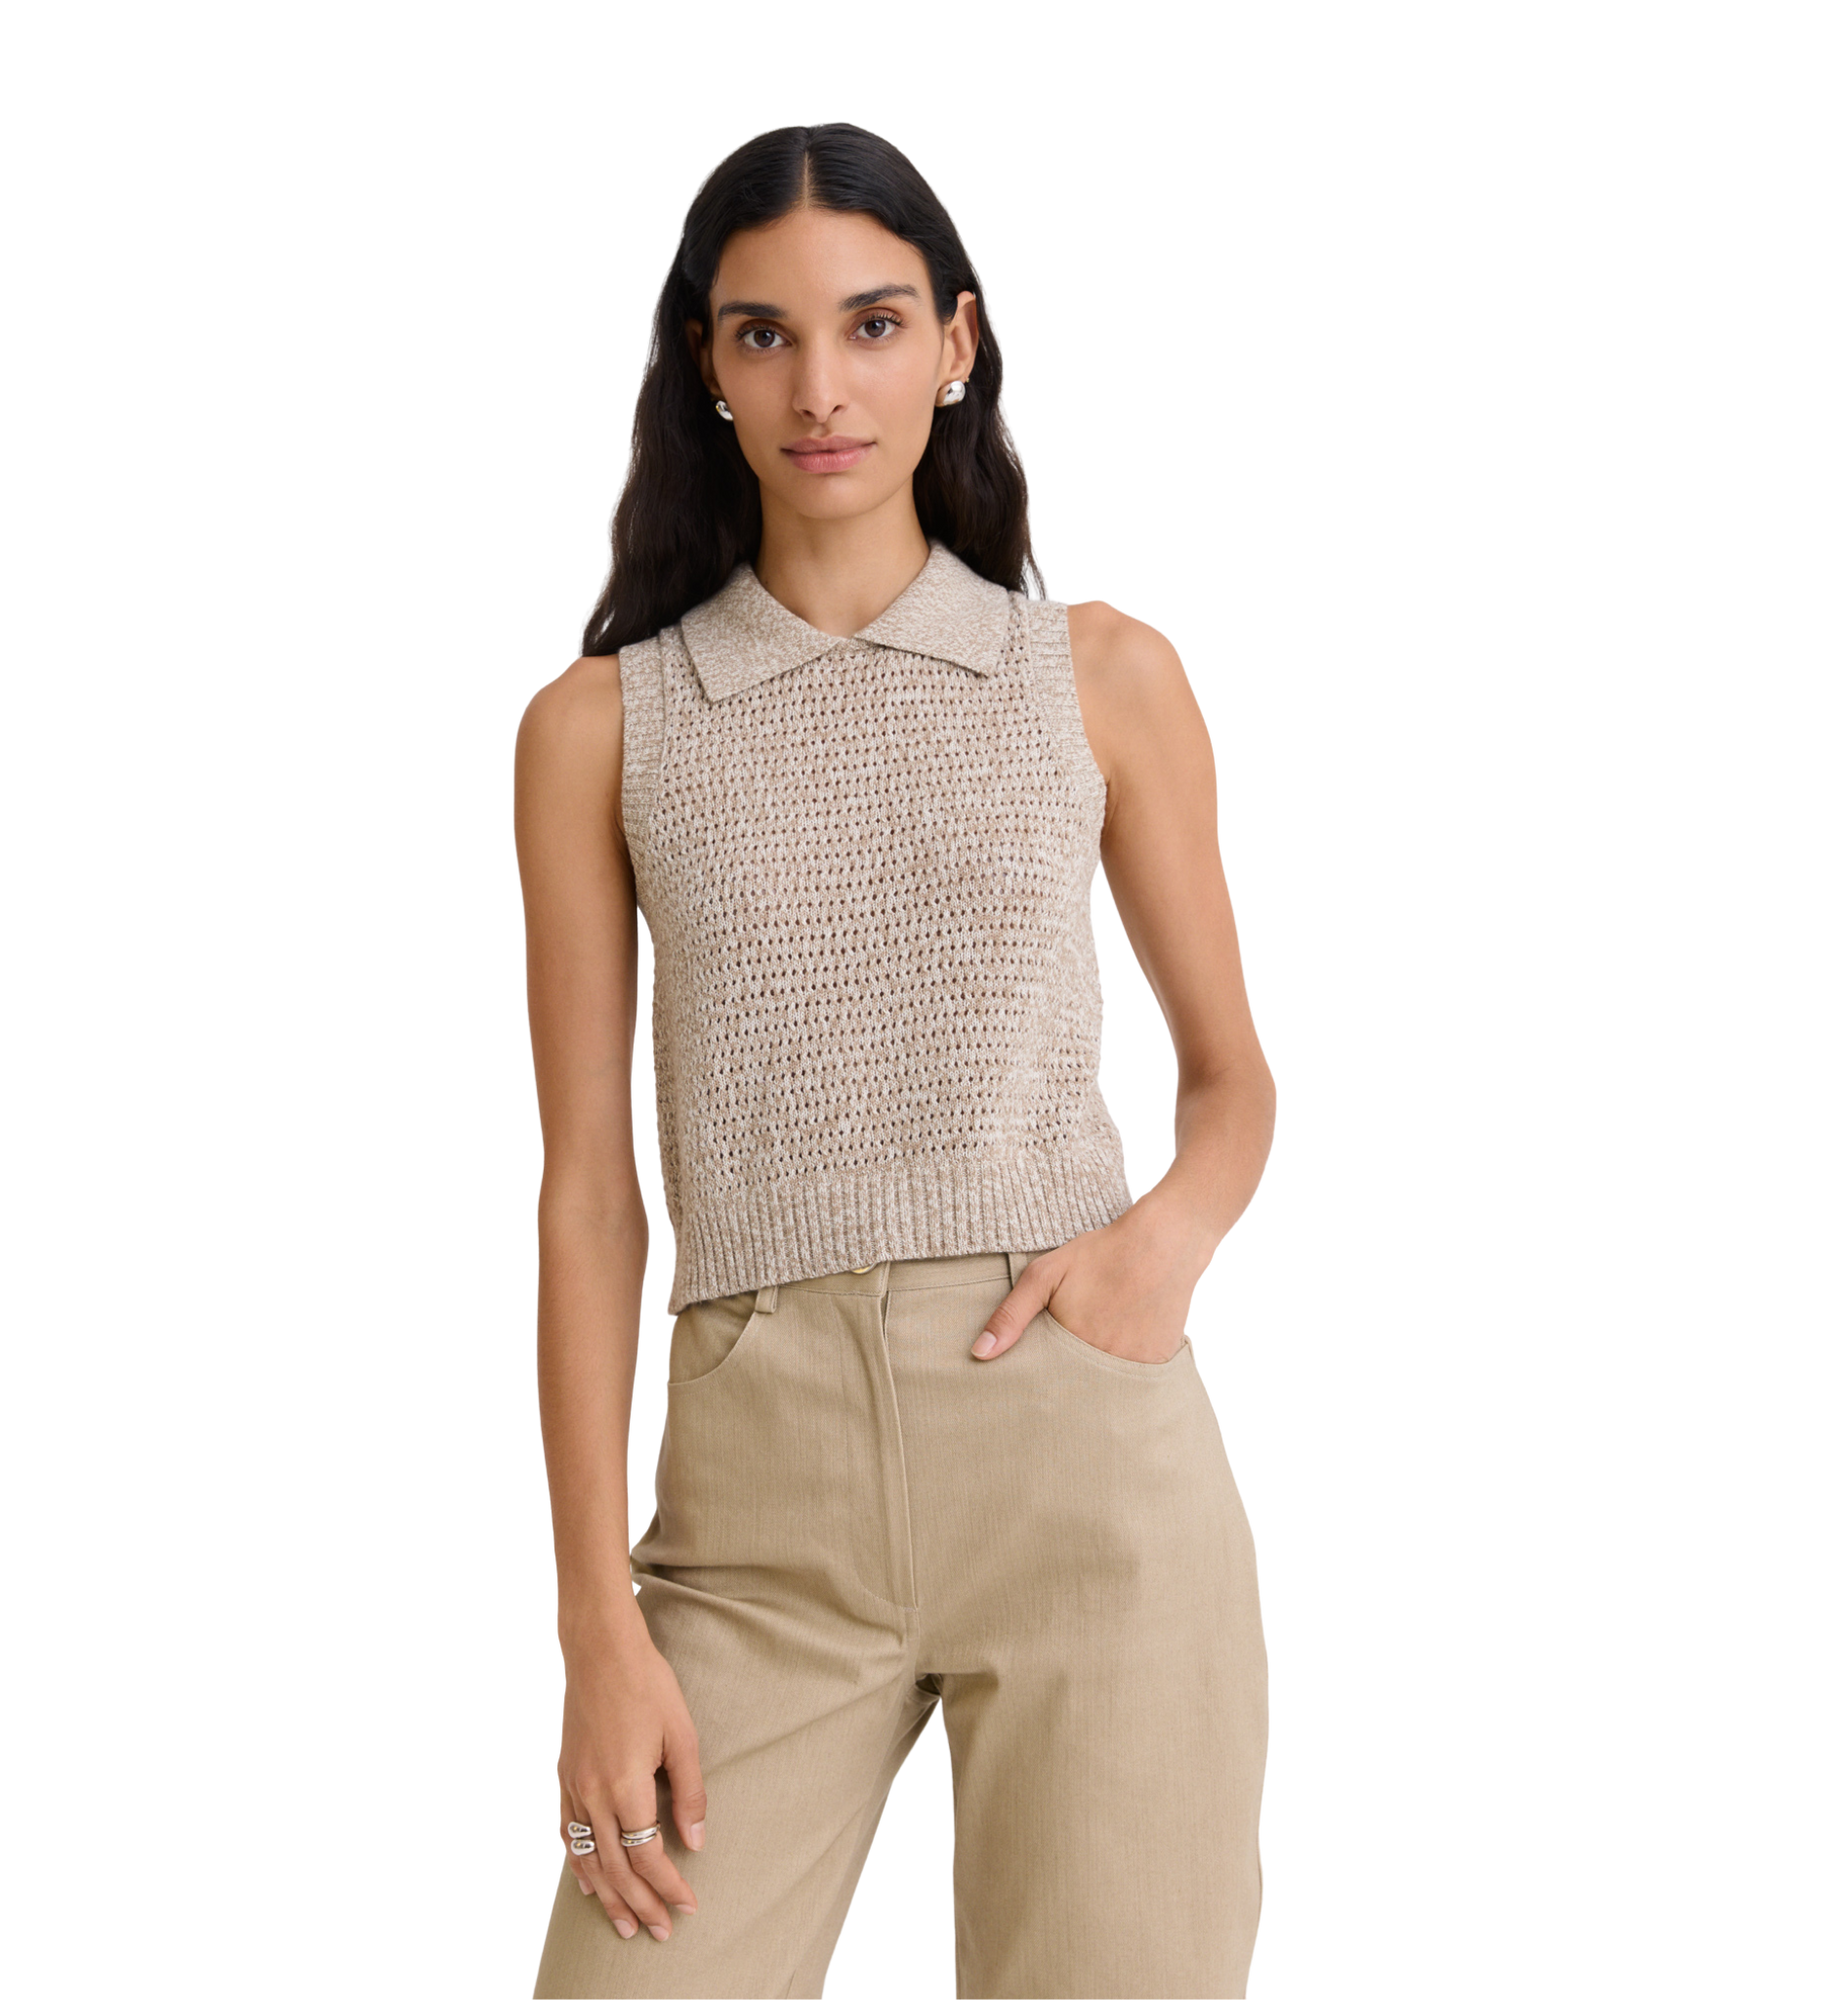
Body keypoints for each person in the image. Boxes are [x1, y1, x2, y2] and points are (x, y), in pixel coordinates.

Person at [515, 119, 1278, 1999]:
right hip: (750, 1513)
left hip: (1087, 1460)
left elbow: (1233, 1083)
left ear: (956, 340)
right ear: (704, 363)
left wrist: (1164, 1244)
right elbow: (590, 1198)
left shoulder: (1101, 672)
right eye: (763, 334)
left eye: (869, 325)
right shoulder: (598, 727)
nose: (821, 389)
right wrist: (597, 1626)